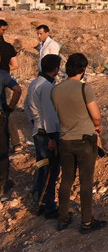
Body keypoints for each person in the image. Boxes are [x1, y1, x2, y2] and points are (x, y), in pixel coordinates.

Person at [50, 53, 107, 233]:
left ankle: (63, 218)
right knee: (86, 181)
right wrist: (97, 126)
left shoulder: (56, 90)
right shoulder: (85, 89)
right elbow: (96, 115)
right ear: (83, 70)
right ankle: (86, 222)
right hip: (84, 141)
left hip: (65, 141)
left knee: (66, 179)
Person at [23, 54, 62, 217]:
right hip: (47, 134)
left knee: (42, 167)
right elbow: (50, 115)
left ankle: (38, 202)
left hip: (38, 130)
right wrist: (53, 138)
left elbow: (26, 106)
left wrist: (35, 122)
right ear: (55, 68)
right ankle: (48, 206)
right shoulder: (46, 86)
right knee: (50, 170)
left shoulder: (35, 82)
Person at [1, 64, 22, 197]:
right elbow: (17, 90)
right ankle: (2, 185)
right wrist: (10, 108)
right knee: (2, 150)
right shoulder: (3, 74)